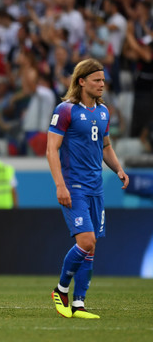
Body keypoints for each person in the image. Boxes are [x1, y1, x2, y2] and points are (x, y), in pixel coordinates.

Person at [47, 58, 129, 319]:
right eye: (97, 80)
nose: (102, 84)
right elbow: (51, 149)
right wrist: (60, 185)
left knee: (91, 248)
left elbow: (105, 146)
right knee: (86, 240)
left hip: (96, 189)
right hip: (74, 186)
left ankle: (79, 304)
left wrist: (118, 169)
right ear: (81, 81)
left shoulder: (103, 111)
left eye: (103, 80)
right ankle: (60, 290)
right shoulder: (65, 110)